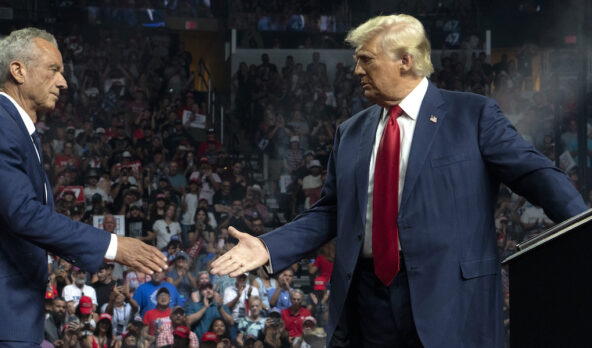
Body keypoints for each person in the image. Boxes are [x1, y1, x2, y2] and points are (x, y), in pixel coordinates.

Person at [211, 14, 588, 348]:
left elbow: (534, 173)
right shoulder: (351, 131)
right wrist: (269, 246)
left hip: (451, 300)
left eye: (366, 60)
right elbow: (330, 212)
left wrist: (582, 232)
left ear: (405, 60)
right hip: (369, 301)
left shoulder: (471, 114)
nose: (356, 71)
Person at [0, 28, 167, 347]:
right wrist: (114, 246)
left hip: (7, 308)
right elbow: (23, 214)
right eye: (53, 70)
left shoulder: (16, 130)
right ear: (18, 70)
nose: (63, 82)